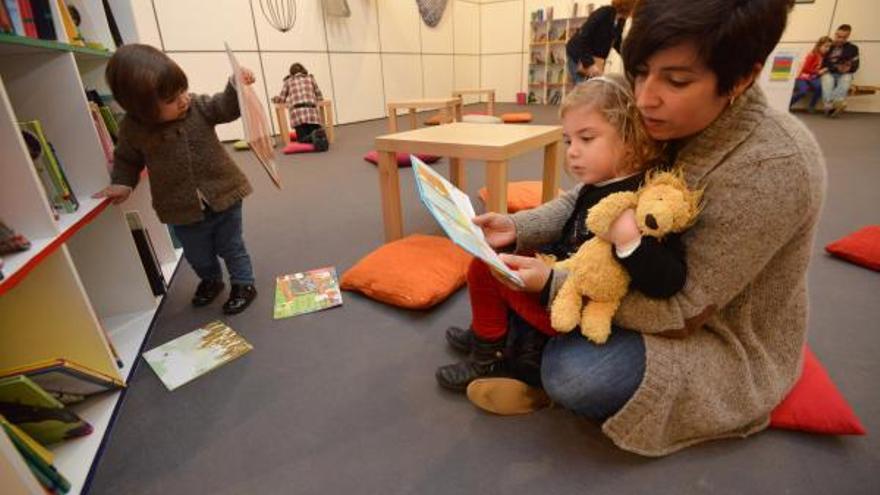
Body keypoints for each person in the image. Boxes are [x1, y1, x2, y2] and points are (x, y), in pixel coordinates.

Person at [464, 0, 826, 457]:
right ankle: (509, 347)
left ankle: (529, 364)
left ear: (741, 78)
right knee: (508, 268)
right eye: (638, 71)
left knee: (574, 375)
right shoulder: (656, 112)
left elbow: (686, 309)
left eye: (676, 80)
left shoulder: (773, 166)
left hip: (711, 328)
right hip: (626, 278)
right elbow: (586, 195)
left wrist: (554, 286)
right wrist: (517, 227)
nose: (644, 97)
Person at [436, 74, 688, 393]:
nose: (572, 152)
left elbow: (664, 281)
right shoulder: (601, 179)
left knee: (489, 270)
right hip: (560, 275)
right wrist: (515, 227)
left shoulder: (647, 203)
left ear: (630, 136)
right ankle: (487, 332)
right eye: (569, 140)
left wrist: (627, 244)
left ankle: (490, 355)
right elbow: (565, 210)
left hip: (577, 311)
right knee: (489, 259)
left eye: (587, 138)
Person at [93, 44, 259, 315]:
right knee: (197, 255)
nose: (183, 100)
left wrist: (234, 85)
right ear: (141, 108)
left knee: (232, 245)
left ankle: (243, 284)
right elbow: (126, 159)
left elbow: (225, 107)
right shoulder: (133, 129)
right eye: (171, 99)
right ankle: (211, 279)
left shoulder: (198, 107)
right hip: (179, 209)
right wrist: (123, 183)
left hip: (224, 194)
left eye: (182, 90)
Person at [565, 0, 635, 84]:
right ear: (628, 6)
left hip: (594, 59)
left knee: (593, 88)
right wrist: (589, 64)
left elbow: (617, 42)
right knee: (583, 89)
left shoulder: (621, 20)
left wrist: (628, 56)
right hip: (578, 55)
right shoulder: (604, 13)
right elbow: (583, 37)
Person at [272, 63, 329, 151]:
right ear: (303, 70)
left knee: (301, 139)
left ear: (291, 73)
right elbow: (319, 96)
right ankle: (317, 133)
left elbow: (281, 99)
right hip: (312, 114)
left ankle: (312, 136)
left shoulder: (288, 81)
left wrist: (275, 99)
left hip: (298, 116)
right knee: (314, 131)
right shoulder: (311, 78)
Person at [820, 24, 860, 117]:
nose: (840, 39)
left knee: (847, 78)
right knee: (827, 80)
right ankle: (833, 106)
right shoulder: (828, 45)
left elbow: (856, 65)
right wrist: (835, 67)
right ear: (835, 34)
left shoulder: (853, 48)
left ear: (848, 36)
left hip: (844, 73)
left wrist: (849, 68)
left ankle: (832, 105)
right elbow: (823, 64)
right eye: (838, 36)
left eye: (844, 37)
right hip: (829, 72)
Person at [789, 36, 831, 112]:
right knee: (802, 91)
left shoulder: (823, 56)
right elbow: (805, 68)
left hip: (813, 78)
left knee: (820, 87)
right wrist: (818, 72)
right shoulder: (812, 54)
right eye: (826, 46)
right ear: (819, 45)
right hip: (803, 78)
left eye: (829, 47)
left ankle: (811, 106)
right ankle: (788, 105)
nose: (827, 49)